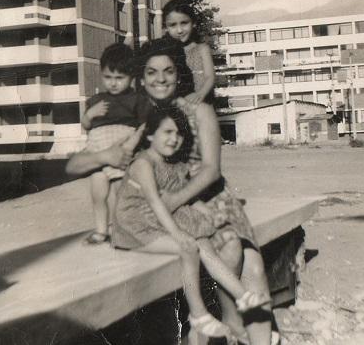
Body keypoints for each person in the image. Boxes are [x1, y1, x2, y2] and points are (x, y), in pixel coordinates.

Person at [66, 39, 276, 345]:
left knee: (248, 263)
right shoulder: (137, 115)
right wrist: (104, 157)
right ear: (141, 77)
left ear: (179, 74)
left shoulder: (197, 110)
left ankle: (235, 324)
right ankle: (212, 323)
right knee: (214, 253)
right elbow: (83, 163)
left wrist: (175, 200)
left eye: (168, 71)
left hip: (207, 197)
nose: (160, 79)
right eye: (151, 72)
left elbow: (211, 170)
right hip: (161, 207)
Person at [112, 107, 270, 341]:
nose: (173, 139)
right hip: (135, 227)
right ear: (150, 135)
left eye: (178, 134)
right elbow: (156, 204)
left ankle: (242, 295)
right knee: (189, 247)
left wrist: (209, 214)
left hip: (157, 218)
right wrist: (178, 235)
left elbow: (184, 197)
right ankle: (198, 314)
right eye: (167, 132)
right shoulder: (143, 164)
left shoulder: (170, 164)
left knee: (204, 242)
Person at [80, 43, 149, 245]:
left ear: (132, 77)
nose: (113, 83)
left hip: (122, 152)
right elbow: (86, 125)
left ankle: (128, 230)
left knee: (123, 195)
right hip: (99, 153)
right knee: (98, 194)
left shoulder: (137, 99)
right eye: (108, 77)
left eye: (120, 78)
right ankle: (101, 230)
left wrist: (131, 144)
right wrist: (89, 115)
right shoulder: (96, 100)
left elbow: (143, 125)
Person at [162, 0, 215, 105]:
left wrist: (200, 94)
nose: (179, 30)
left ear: (193, 23)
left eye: (184, 23)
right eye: (173, 25)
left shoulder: (202, 49)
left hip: (201, 103)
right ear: (166, 27)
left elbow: (210, 77)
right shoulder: (165, 52)